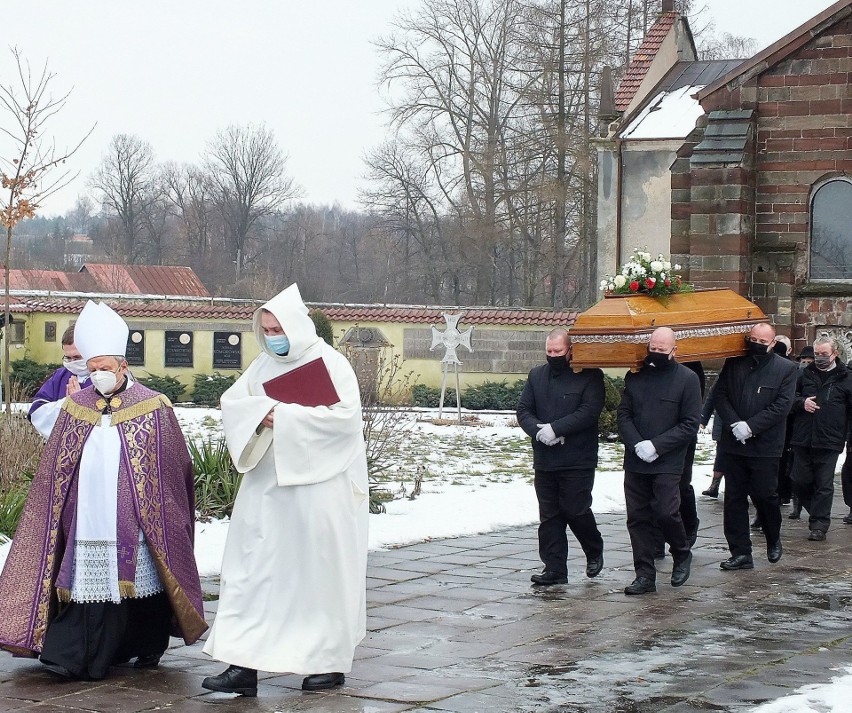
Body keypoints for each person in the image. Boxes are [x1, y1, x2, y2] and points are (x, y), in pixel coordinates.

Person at [0, 300, 206, 680]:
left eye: (105, 369)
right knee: (87, 584)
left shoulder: (153, 406)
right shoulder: (75, 406)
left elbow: (173, 464)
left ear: (123, 366)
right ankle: (73, 655)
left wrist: (159, 503)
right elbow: (55, 466)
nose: (98, 376)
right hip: (87, 513)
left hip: (138, 515)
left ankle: (144, 645)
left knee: (141, 582)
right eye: (92, 370)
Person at [202, 283, 368, 697]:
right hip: (267, 486)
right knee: (252, 572)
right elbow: (235, 403)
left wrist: (286, 417)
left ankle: (324, 662)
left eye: (279, 327)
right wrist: (262, 412)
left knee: (316, 576)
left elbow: (346, 422)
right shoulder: (260, 365)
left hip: (319, 492)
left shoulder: (331, 364)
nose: (273, 336)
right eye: (267, 328)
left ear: (297, 325)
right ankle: (243, 664)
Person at [516, 328, 606, 586]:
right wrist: (539, 431)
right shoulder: (536, 376)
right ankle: (554, 568)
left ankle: (593, 548)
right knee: (550, 515)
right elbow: (524, 410)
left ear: (570, 351)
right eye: (549, 351)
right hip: (545, 457)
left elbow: (589, 411)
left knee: (575, 509)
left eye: (558, 351)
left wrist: (557, 428)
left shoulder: (589, 376)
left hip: (577, 457)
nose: (553, 356)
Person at [616, 327, 701, 595]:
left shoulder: (687, 379)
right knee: (638, 517)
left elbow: (690, 424)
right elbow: (624, 415)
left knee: (666, 511)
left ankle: (681, 552)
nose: (657, 353)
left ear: (674, 350)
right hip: (636, 458)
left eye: (662, 350)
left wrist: (657, 445)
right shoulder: (636, 376)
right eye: (653, 348)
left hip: (668, 459)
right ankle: (644, 575)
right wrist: (636, 443)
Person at [713, 323, 798, 571]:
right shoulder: (734, 362)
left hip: (765, 445)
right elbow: (720, 395)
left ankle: (773, 537)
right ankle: (740, 552)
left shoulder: (786, 369)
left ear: (772, 344)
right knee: (734, 499)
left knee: (765, 495)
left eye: (762, 342)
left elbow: (782, 406)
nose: (757, 345)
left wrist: (750, 426)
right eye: (753, 340)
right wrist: (734, 423)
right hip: (734, 444)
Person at [788, 336, 852, 541]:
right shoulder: (803, 375)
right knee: (799, 480)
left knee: (824, 483)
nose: (820, 358)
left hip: (830, 439)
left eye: (824, 354)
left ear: (835, 354)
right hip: (803, 436)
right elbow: (788, 398)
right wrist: (801, 402)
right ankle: (816, 512)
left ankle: (819, 525)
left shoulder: (846, 378)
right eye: (817, 354)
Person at [27, 324, 91, 438]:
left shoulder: (104, 378)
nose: (72, 362)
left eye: (77, 358)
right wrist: (67, 404)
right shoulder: (60, 376)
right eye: (68, 358)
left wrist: (80, 403)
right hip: (61, 447)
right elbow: (37, 411)